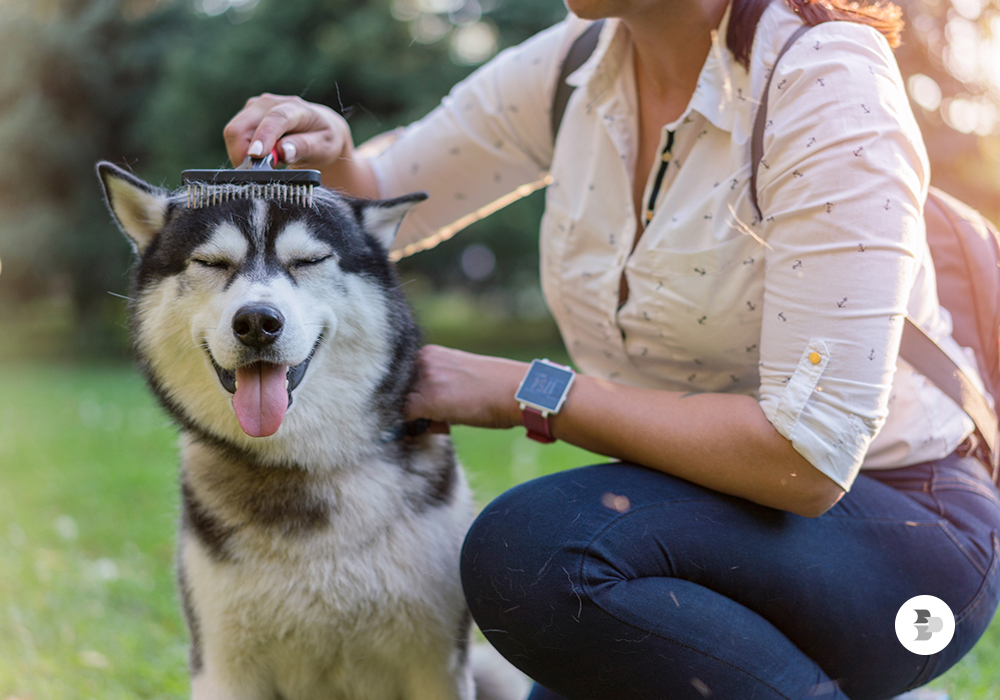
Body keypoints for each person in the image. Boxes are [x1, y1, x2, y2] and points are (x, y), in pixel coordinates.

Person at [223, 0, 1000, 697]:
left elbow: (807, 457)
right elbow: (386, 197)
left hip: (904, 531)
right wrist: (330, 160)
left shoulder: (827, 84)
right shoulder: (575, 63)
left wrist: (522, 390)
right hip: (705, 516)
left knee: (535, 554)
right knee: (559, 598)